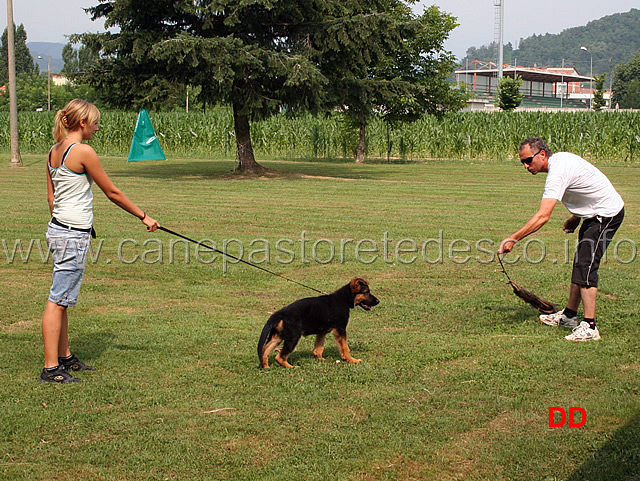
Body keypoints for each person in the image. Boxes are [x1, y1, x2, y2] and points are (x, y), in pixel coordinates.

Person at [41, 99, 159, 383]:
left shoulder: (53, 151)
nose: (97, 127)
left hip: (59, 229)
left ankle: (64, 356)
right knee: (57, 300)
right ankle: (50, 368)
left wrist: (64, 225)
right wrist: (144, 216)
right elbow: (112, 192)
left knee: (64, 299)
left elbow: (51, 199)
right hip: (71, 234)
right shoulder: (82, 151)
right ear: (82, 123)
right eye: (94, 122)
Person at [498, 137, 624, 342]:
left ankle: (590, 326)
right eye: (522, 162)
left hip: (606, 215)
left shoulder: (557, 171)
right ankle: (569, 316)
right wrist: (577, 217)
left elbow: (542, 216)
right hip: (595, 214)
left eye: (528, 160)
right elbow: (587, 188)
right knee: (581, 264)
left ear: (542, 154)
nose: (525, 166)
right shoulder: (561, 161)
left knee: (587, 265)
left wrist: (513, 238)